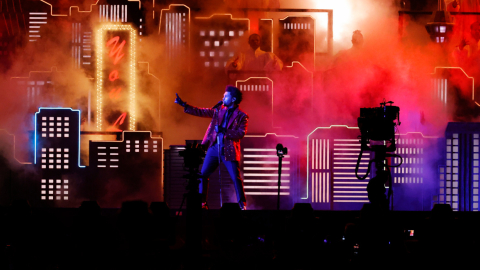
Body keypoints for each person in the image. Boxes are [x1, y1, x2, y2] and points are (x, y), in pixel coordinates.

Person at [175, 86, 248, 210]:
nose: (223, 98)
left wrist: (224, 130)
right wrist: (184, 105)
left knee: (235, 178)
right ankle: (202, 203)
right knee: (203, 175)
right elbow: (202, 111)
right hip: (214, 148)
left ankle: (242, 205)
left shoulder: (242, 116)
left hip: (228, 150)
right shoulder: (219, 110)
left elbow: (241, 133)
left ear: (233, 99)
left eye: (226, 96)